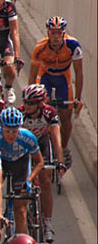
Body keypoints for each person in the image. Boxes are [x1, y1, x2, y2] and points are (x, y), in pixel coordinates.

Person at [0, 107, 43, 236]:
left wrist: (29, 180)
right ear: (1, 127)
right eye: (7, 130)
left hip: (20, 163)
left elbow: (39, 162)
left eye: (14, 131)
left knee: (20, 209)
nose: (11, 134)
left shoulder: (28, 137)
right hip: (1, 163)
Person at [17, 84, 63, 242]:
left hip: (42, 144)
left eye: (31, 103)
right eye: (25, 102)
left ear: (40, 104)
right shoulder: (20, 113)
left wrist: (60, 161)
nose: (27, 106)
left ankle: (48, 223)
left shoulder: (49, 113)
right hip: (24, 147)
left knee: (45, 181)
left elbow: (56, 139)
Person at [28, 16, 83, 149]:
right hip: (45, 76)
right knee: (40, 107)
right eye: (53, 32)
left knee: (65, 117)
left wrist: (78, 98)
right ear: (48, 33)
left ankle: (63, 148)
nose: (56, 37)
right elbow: (32, 76)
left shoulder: (73, 46)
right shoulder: (40, 48)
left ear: (64, 33)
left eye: (59, 33)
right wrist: (29, 99)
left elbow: (79, 73)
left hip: (63, 79)